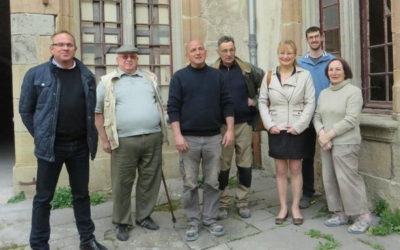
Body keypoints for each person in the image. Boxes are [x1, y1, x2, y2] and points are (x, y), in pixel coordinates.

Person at [19, 31, 107, 250]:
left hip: (79, 146)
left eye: (69, 45)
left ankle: (87, 240)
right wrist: (42, 135)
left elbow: (90, 110)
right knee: (43, 199)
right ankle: (39, 244)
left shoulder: (86, 75)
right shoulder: (35, 74)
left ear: (75, 49)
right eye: (60, 44)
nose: (65, 48)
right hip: (51, 147)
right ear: (52, 48)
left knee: (81, 195)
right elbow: (25, 110)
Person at [95, 45, 168, 241]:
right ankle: (122, 222)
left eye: (132, 57)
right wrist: (104, 140)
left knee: (149, 179)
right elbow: (98, 113)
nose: (128, 60)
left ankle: (144, 216)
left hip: (152, 136)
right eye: (124, 57)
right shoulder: (107, 82)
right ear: (117, 60)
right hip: (123, 141)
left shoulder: (149, 78)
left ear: (137, 60)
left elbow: (159, 104)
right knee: (122, 182)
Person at [167, 40, 234, 241]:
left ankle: (210, 219)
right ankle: (193, 220)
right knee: (190, 183)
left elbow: (227, 104)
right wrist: (177, 135)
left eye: (200, 49)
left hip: (214, 138)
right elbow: (173, 108)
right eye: (193, 50)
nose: (197, 52)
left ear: (206, 52)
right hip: (188, 139)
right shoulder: (179, 77)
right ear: (187, 54)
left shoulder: (217, 76)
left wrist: (229, 129)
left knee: (213, 182)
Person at [258, 40, 315, 226]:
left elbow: (310, 102)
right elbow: (262, 102)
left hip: (297, 128)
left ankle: (295, 207)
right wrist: (269, 124)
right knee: (281, 170)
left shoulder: (305, 76)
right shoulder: (268, 76)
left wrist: (299, 126)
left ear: (295, 55)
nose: (285, 56)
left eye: (289, 53)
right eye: (282, 52)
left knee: (296, 169)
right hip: (277, 128)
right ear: (278, 54)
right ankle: (283, 207)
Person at [313, 58, 372, 234]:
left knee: (348, 180)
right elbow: (316, 116)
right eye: (331, 70)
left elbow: (351, 119)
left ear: (345, 71)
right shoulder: (324, 93)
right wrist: (322, 134)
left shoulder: (353, 92)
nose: (334, 72)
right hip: (327, 143)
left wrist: (329, 134)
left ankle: (363, 216)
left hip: (346, 143)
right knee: (330, 179)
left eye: (338, 69)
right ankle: (342, 213)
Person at [212, 35, 264, 219]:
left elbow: (266, 85)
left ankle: (242, 201)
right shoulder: (212, 72)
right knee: (223, 165)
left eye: (231, 50)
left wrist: (256, 101)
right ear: (218, 52)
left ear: (235, 50)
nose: (228, 54)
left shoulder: (247, 70)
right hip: (222, 127)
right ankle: (224, 202)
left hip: (244, 124)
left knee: (245, 164)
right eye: (224, 50)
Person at [297, 26, 335, 209]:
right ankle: (307, 192)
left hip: (327, 116)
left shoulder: (332, 61)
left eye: (316, 37)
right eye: (310, 37)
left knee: (330, 154)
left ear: (322, 37)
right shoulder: (300, 63)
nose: (314, 40)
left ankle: (333, 195)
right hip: (307, 116)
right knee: (307, 156)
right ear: (307, 41)